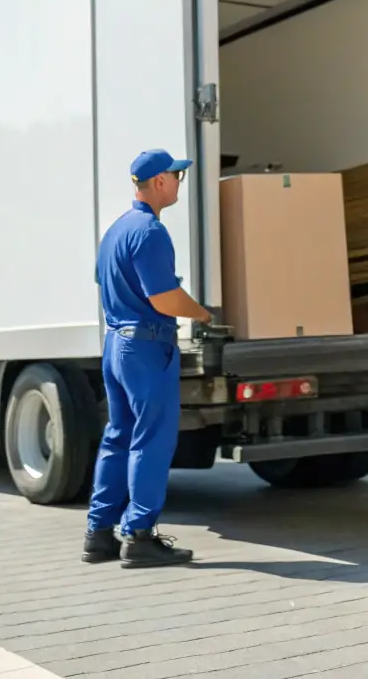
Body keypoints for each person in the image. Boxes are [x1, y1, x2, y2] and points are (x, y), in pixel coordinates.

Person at [82, 149, 213, 568]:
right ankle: (139, 535)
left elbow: (107, 285)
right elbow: (162, 297)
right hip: (146, 346)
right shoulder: (151, 232)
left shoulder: (115, 231)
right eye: (176, 175)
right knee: (152, 439)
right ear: (158, 182)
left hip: (116, 344)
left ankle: (98, 534)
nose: (179, 182)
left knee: (118, 435)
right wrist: (203, 313)